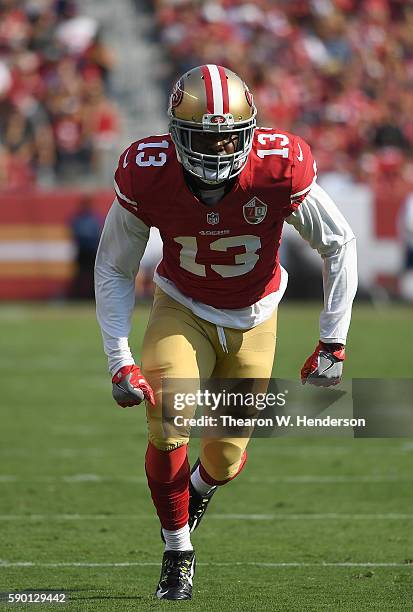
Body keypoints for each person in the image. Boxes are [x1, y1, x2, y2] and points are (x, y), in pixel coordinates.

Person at [94, 65, 357, 600]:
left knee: (226, 459)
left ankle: (197, 488)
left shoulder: (278, 166)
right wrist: (118, 356)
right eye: (200, 138)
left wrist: (333, 338)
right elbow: (115, 266)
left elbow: (339, 243)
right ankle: (177, 549)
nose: (214, 151)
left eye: (226, 137)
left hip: (256, 315)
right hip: (182, 306)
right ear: (174, 134)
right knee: (169, 422)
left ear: (250, 132)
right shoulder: (147, 170)